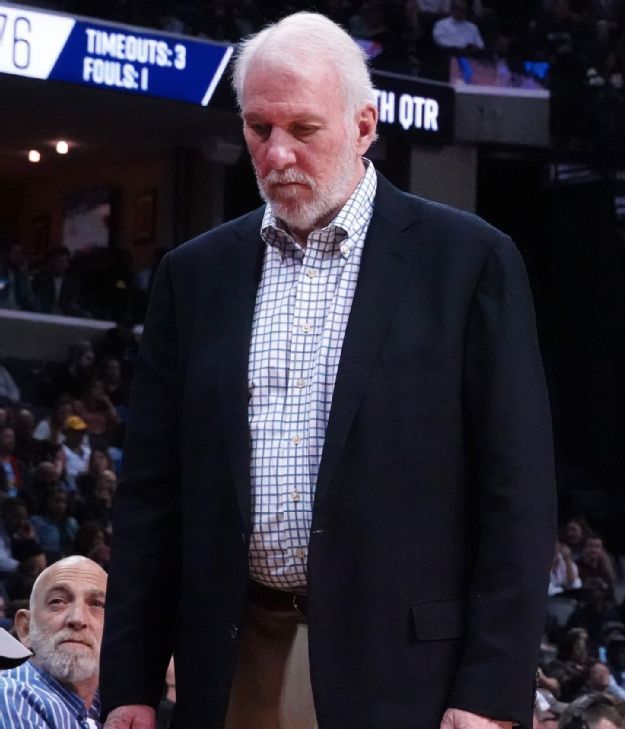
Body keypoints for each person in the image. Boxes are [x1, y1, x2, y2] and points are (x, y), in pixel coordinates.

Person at [100, 12, 555, 729]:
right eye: (258, 129)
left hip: (410, 675)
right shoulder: (194, 276)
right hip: (230, 656)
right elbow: (151, 496)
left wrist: (491, 692)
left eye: (302, 130)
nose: (276, 154)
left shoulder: (469, 262)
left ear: (365, 126)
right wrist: (126, 677)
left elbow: (518, 497)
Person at [0, 556, 109, 727]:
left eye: (97, 604)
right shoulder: (7, 695)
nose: (77, 618)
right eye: (57, 601)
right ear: (26, 628)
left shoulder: (109, 708)